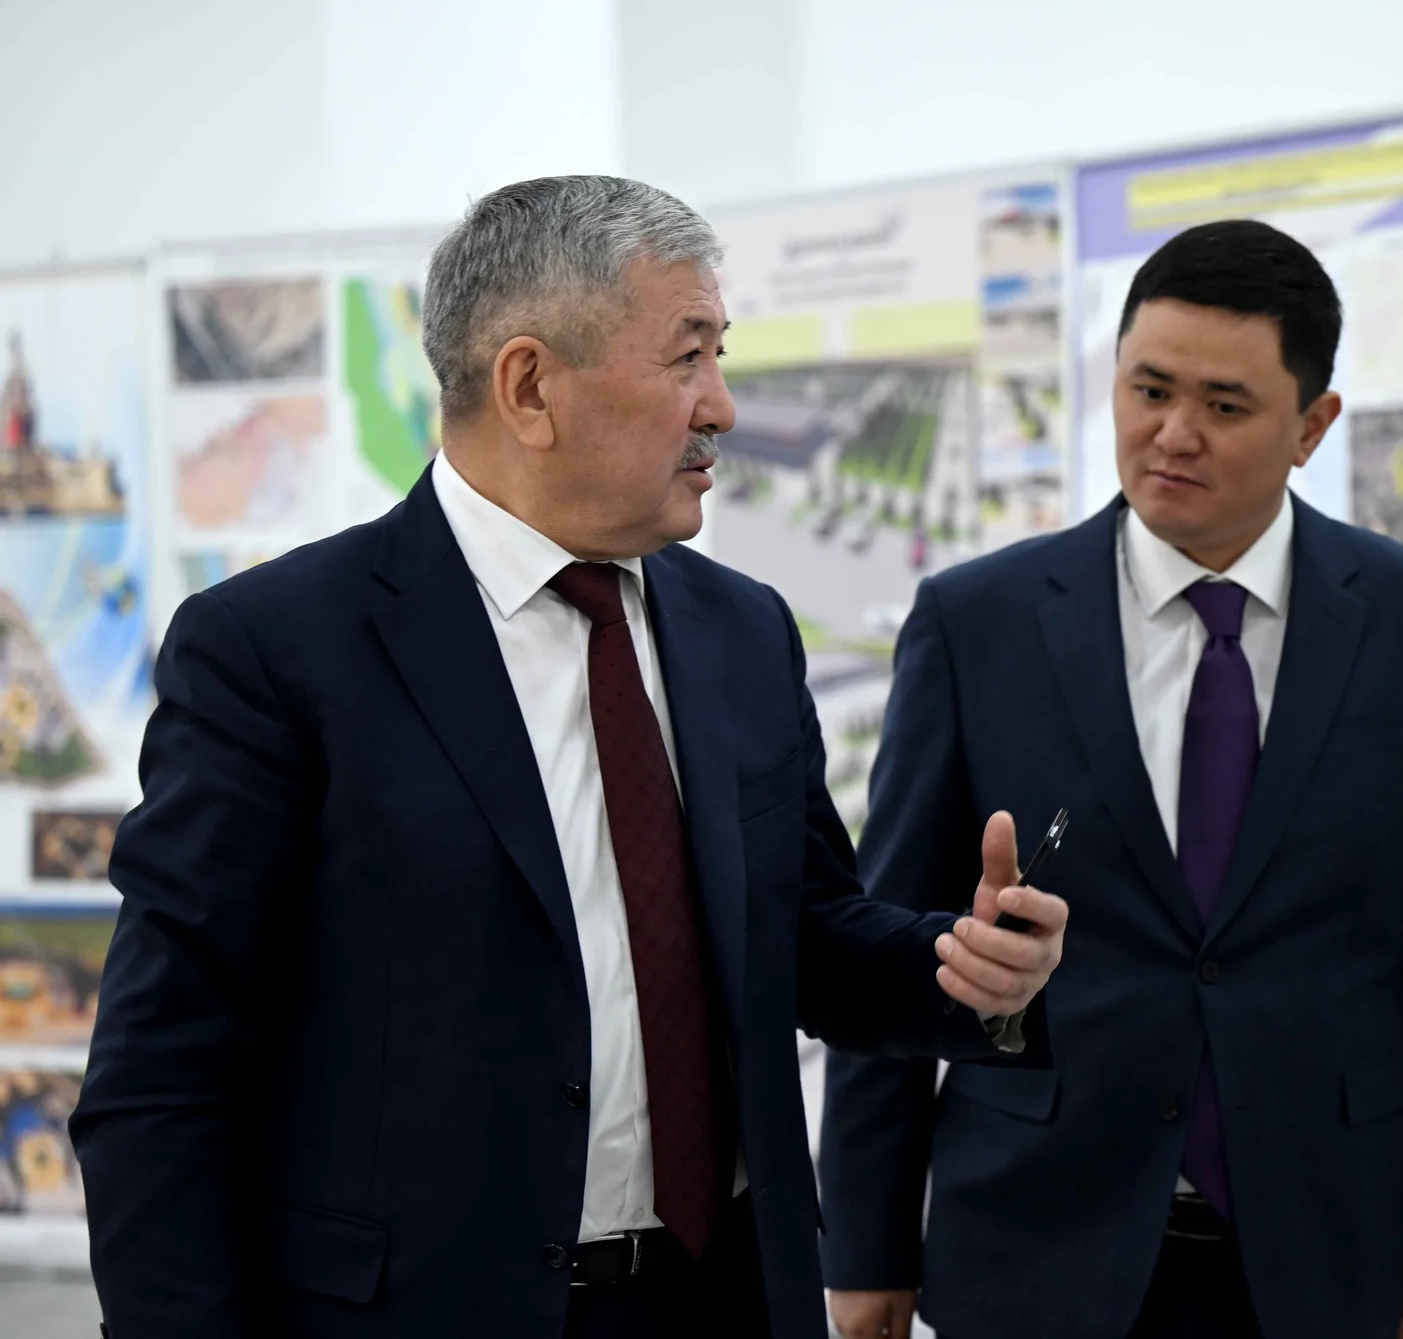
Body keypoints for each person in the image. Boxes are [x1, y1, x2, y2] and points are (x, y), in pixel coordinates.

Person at [71, 176, 1068, 1339]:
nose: (723, 406)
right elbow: (162, 1071)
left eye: (720, 355)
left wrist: (959, 967)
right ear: (531, 387)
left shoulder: (742, 631)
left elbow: (799, 936)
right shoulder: (280, 651)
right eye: (687, 357)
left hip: (730, 1300)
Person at [819, 220, 1403, 1339]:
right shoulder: (977, 624)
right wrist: (864, 1245)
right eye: (1148, 390)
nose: (1174, 434)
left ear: (1312, 428)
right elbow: (896, 944)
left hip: (1320, 1253)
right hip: (1031, 1240)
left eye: (1225, 405)